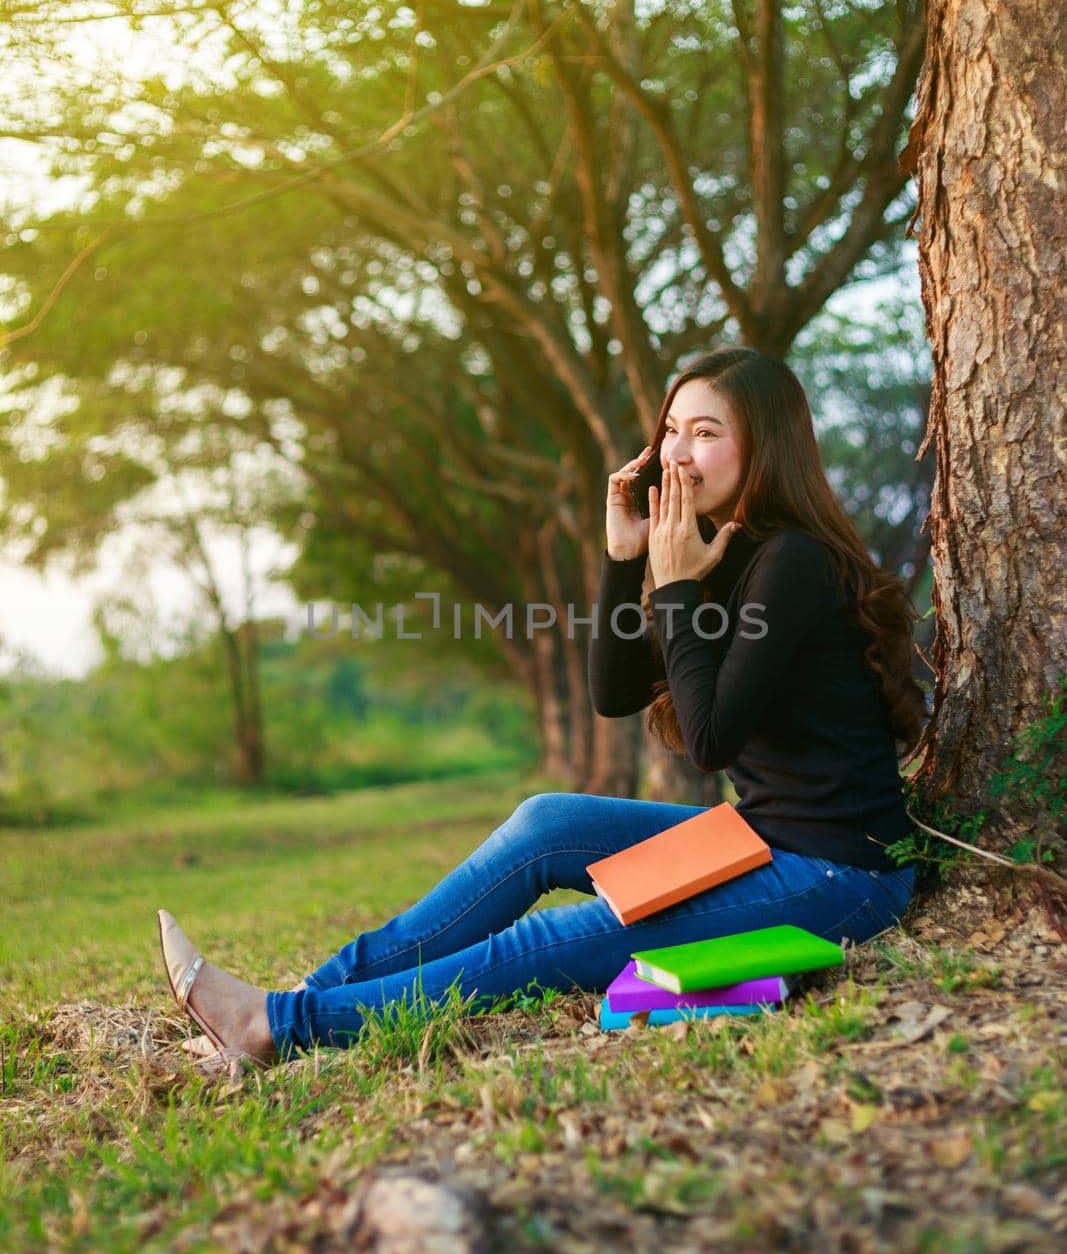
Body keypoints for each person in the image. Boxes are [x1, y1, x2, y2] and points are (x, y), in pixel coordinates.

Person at [159, 349, 924, 1065]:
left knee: (569, 936)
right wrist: (624, 563)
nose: (678, 455)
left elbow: (710, 740)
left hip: (836, 878)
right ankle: (308, 992)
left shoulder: (789, 559)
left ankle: (278, 1028)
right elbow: (614, 694)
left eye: (706, 433)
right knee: (545, 824)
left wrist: (679, 586)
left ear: (766, 448)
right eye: (670, 432)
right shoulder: (716, 551)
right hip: (755, 839)